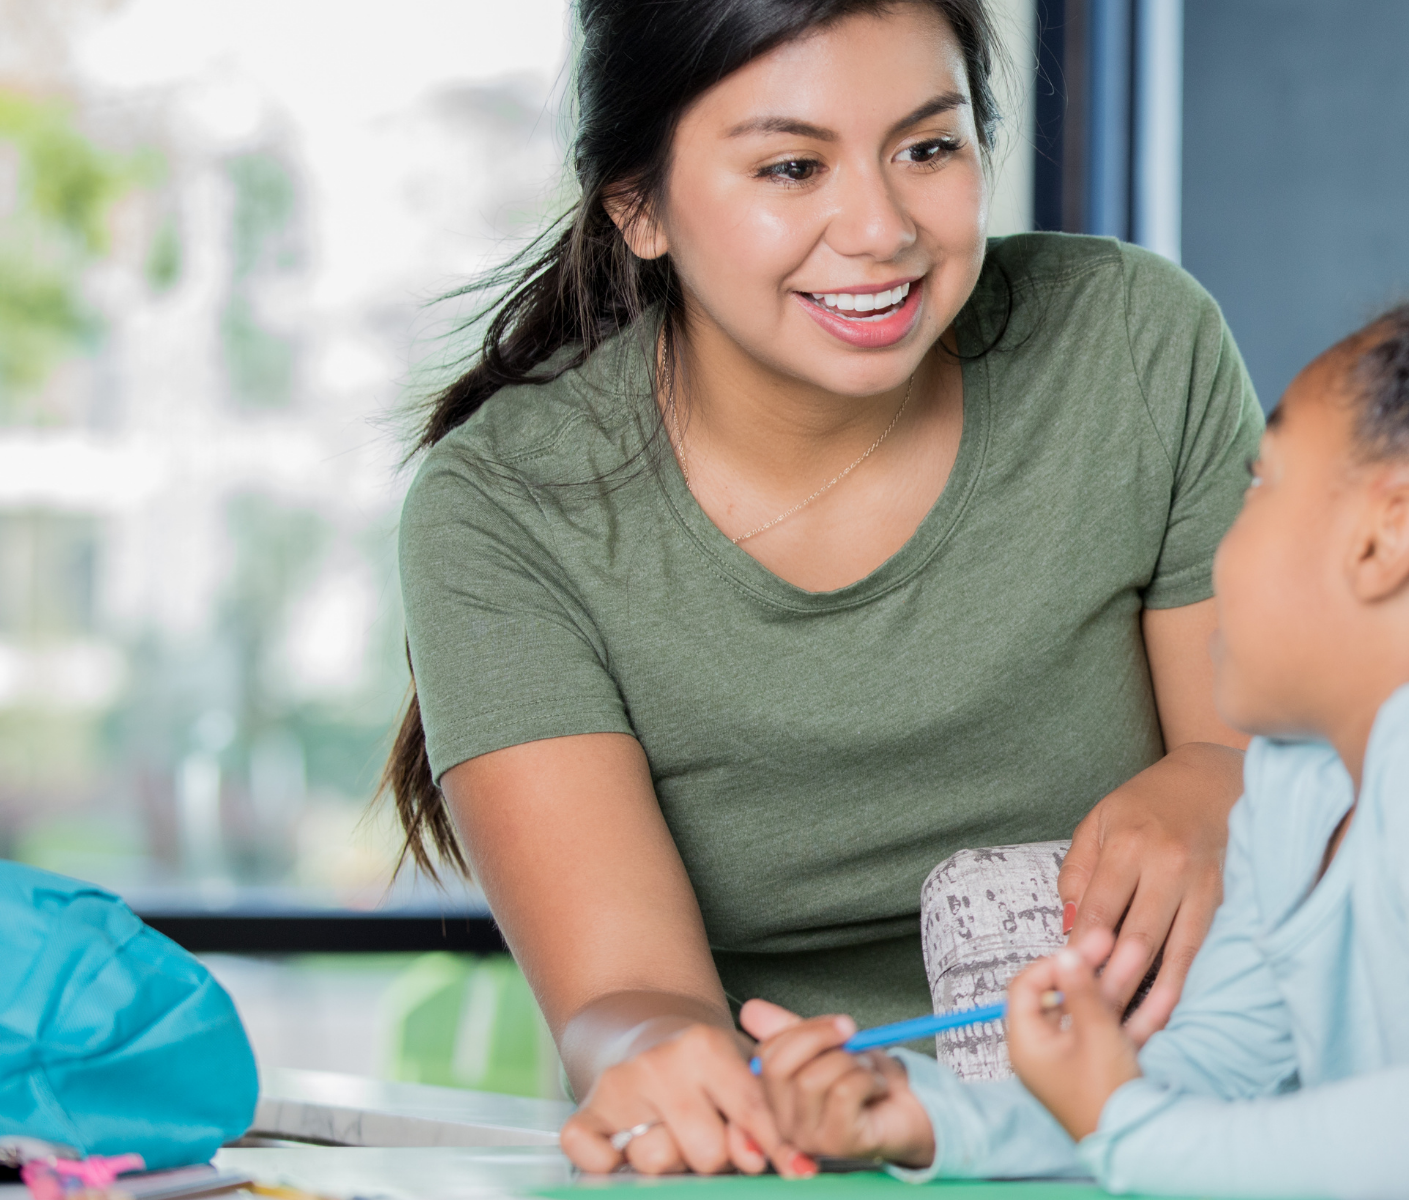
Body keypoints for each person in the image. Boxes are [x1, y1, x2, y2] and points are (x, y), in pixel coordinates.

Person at [747, 161, 1409, 1198]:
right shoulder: (1299, 786)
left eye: (1263, 483)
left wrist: (1126, 1122)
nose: (1221, 544)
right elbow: (1212, 1086)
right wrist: (935, 1113)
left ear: (1385, 542)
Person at [387, 0, 1261, 1175]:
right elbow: (626, 994)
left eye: (930, 147)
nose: (880, 227)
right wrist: (658, 1055)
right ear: (636, 206)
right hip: (786, 1164)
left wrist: (1219, 784)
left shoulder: (1135, 346)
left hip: (1155, 1138)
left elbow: (1264, 759)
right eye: (792, 166)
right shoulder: (505, 511)